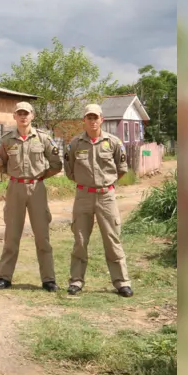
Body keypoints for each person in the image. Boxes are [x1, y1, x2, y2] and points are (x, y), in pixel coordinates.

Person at [63, 104, 133, 297]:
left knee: (112, 239)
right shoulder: (75, 143)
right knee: (80, 240)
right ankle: (76, 281)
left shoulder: (113, 142)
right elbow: (69, 170)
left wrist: (105, 184)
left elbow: (121, 168)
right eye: (89, 117)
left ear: (102, 119)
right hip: (83, 196)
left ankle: (122, 282)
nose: (93, 121)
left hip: (106, 197)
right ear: (84, 120)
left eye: (96, 117)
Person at [0, 101, 63, 292]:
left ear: (32, 116)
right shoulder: (7, 140)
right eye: (19, 113)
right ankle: (4, 277)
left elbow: (56, 163)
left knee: (42, 236)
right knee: (11, 236)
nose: (23, 117)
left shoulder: (43, 139)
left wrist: (40, 177)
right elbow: (1, 164)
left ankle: (48, 279)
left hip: (37, 189)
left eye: (26, 113)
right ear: (14, 116)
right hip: (15, 188)